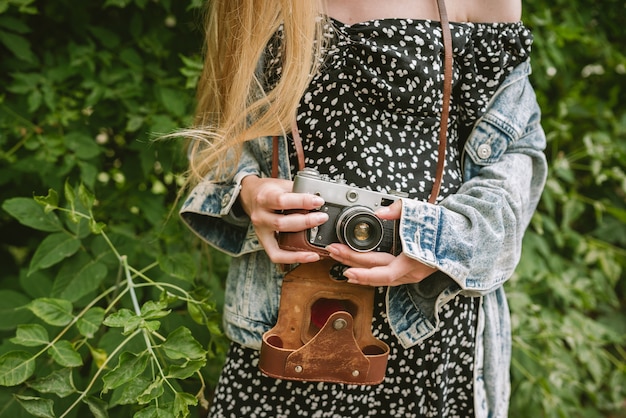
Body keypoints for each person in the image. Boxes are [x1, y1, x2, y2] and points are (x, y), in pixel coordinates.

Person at [180, 0, 547, 416]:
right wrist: (246, 191)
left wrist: (438, 242)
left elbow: (517, 155)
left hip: (426, 330)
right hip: (283, 328)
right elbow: (217, 133)